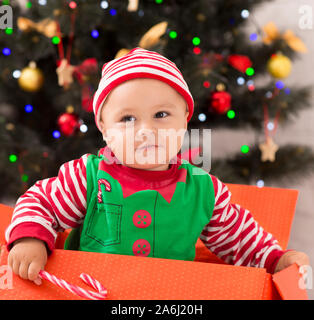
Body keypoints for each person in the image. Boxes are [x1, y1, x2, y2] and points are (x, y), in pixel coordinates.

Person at [5, 47, 309, 286]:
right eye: (127, 119)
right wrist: (31, 238)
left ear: (185, 119)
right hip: (90, 289)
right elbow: (41, 202)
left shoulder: (203, 190)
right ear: (103, 127)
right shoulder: (89, 177)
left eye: (161, 114)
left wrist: (276, 260)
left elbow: (241, 238)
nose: (146, 130)